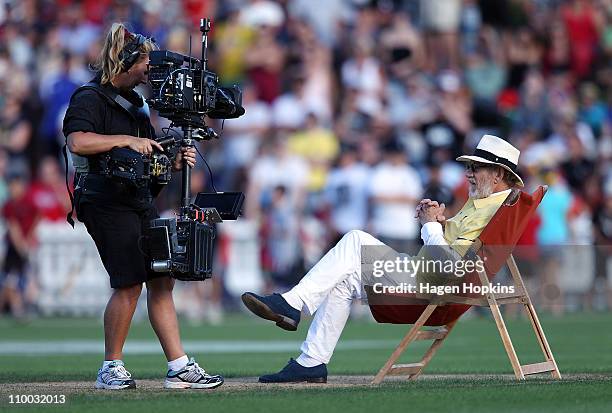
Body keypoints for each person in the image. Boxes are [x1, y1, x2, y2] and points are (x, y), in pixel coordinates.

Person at [241, 135, 524, 383]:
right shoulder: (490, 205)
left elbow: (451, 266)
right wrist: (440, 220)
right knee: (344, 278)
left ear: (497, 174)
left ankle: (294, 304)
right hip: (428, 278)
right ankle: (310, 362)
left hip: (432, 286)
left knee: (355, 240)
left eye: (475, 167)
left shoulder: (489, 209)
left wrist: (430, 225)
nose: (468, 173)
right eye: (468, 166)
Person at [63, 23, 223, 390]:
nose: (152, 69)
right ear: (127, 60)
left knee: (162, 278)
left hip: (135, 198)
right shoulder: (91, 97)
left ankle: (179, 365)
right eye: (147, 61)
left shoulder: (138, 105)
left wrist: (172, 160)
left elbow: (146, 160)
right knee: (129, 282)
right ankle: (110, 366)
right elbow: (77, 141)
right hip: (104, 200)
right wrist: (125, 140)